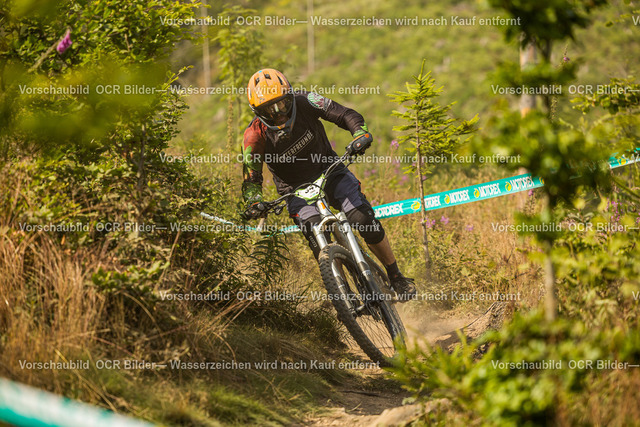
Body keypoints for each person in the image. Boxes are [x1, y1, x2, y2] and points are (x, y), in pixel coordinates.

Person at [240, 68, 416, 298]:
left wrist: (359, 133)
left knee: (362, 219)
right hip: (295, 191)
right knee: (317, 237)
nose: (278, 114)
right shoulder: (254, 135)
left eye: (281, 105)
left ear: (290, 96)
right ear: (257, 113)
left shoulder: (306, 100)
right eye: (268, 110)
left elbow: (344, 114)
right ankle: (342, 294)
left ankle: (396, 276)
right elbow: (251, 177)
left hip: (330, 171)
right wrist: (254, 202)